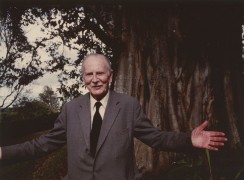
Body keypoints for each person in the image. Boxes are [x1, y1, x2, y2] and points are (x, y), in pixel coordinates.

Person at [0, 53, 227, 180]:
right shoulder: (71, 109)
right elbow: (43, 145)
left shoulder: (128, 106)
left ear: (111, 76)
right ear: (83, 79)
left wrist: (189, 139)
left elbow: (157, 138)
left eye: (100, 73)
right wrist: (4, 153)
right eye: (89, 74)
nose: (95, 79)